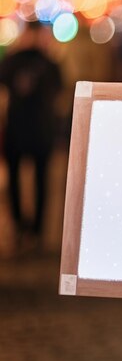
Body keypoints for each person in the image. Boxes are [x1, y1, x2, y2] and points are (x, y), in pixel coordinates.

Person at [0, 21, 62, 249]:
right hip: (33, 128)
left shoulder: (34, 61)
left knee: (34, 179)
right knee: (35, 179)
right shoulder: (46, 62)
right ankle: (30, 228)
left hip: (26, 127)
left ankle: (28, 227)